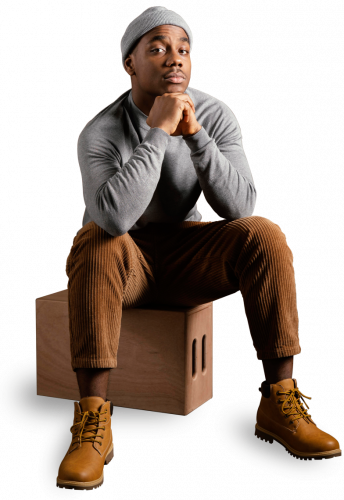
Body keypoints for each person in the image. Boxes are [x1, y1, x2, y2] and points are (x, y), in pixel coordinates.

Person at [56, 5, 342, 492]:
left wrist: (195, 135)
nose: (175, 59)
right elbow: (115, 218)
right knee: (95, 239)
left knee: (265, 234)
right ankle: (92, 424)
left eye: (184, 50)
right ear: (130, 64)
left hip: (189, 253)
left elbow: (240, 207)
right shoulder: (102, 130)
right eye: (159, 48)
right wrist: (158, 132)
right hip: (128, 259)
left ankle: (279, 402)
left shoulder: (211, 114)